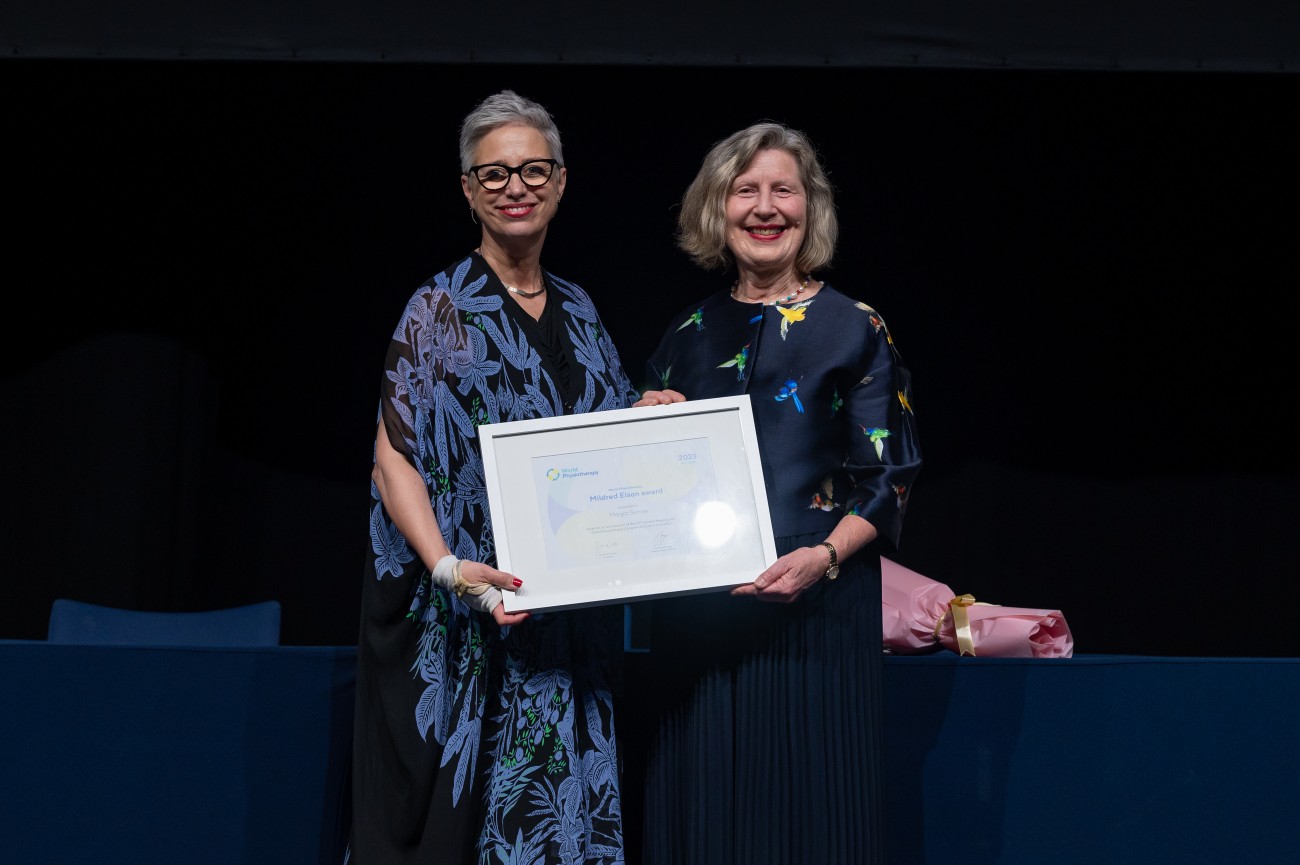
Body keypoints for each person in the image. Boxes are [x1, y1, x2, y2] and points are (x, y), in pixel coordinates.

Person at [347, 89, 642, 865]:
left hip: (565, 624)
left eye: (533, 169)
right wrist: (448, 568)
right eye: (495, 174)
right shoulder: (439, 309)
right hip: (472, 617)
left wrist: (654, 415)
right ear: (470, 191)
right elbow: (393, 456)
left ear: (561, 181)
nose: (517, 186)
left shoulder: (580, 309)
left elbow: (602, 444)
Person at [633, 121, 923, 865]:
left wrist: (821, 559)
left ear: (809, 208)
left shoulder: (855, 328)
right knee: (698, 817)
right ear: (717, 210)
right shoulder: (688, 332)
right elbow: (643, 480)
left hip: (816, 613)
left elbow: (888, 481)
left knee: (811, 817)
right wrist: (641, 421)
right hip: (697, 620)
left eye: (782, 190)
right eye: (745, 190)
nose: (765, 208)